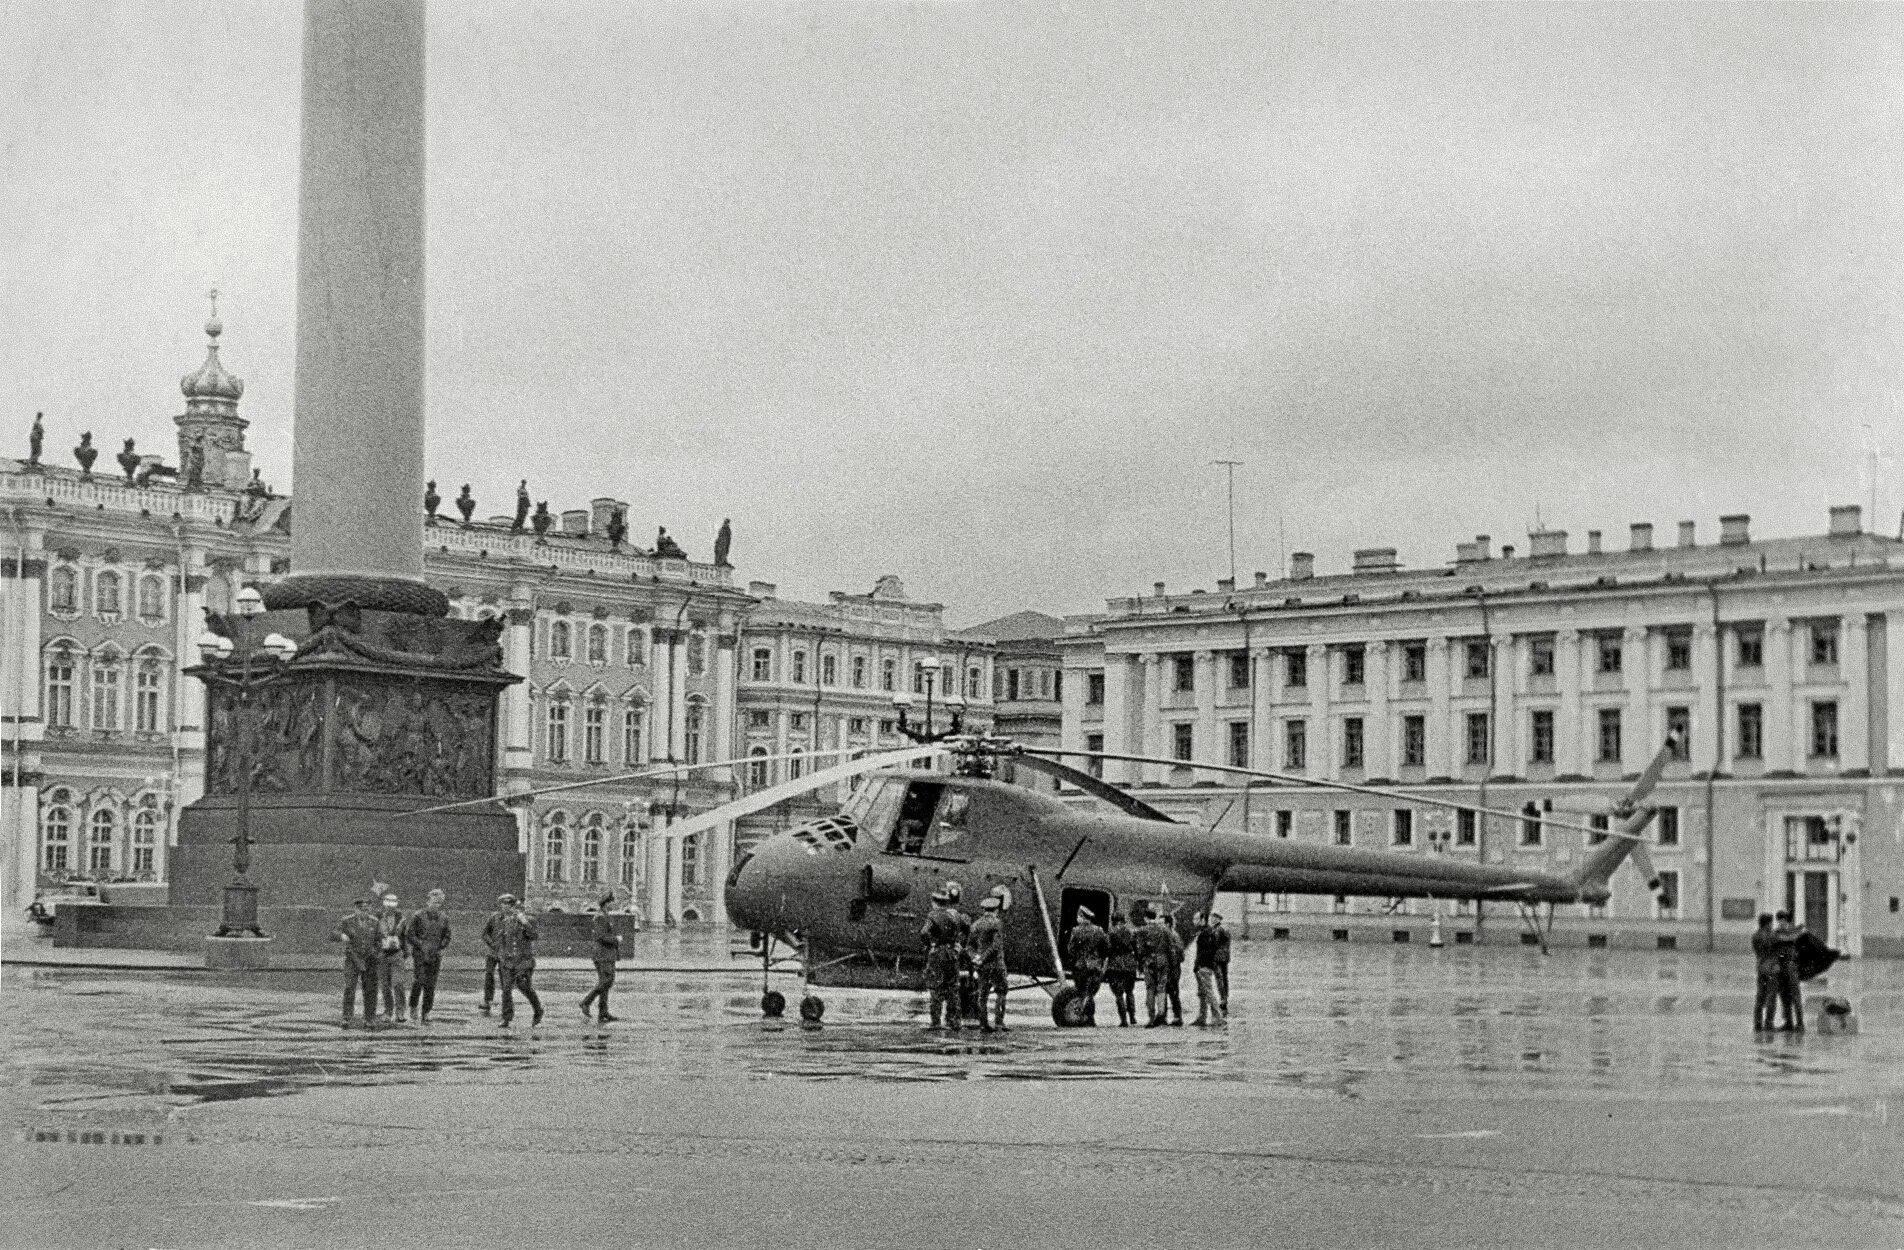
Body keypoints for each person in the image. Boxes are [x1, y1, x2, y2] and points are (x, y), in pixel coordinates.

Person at [491, 897, 543, 1027]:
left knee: (524, 986)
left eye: (510, 906)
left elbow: (534, 936)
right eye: (504, 906)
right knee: (506, 989)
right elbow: (500, 938)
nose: (508, 909)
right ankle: (507, 1017)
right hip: (508, 961)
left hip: (523, 961)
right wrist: (501, 953)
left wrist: (524, 922)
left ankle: (538, 1009)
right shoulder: (505, 921)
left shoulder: (529, 920)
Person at [402, 889, 452, 1023]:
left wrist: (442, 946)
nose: (435, 905)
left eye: (439, 903)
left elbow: (447, 935)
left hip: (435, 954)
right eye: (433, 902)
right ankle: (413, 1006)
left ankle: (426, 1011)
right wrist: (421, 945)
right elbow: (410, 934)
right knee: (419, 980)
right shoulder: (418, 916)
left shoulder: (444, 918)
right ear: (428, 901)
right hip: (420, 954)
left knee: (431, 985)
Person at [331, 897, 381, 1028]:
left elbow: (379, 939)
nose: (364, 912)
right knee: (349, 987)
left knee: (371, 989)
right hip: (353, 959)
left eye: (366, 909)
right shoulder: (347, 921)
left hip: (370, 959)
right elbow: (333, 933)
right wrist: (341, 936)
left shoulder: (374, 922)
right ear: (355, 909)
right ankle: (347, 1017)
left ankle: (370, 1018)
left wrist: (376, 952)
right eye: (361, 909)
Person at [920, 887, 965, 1030]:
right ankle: (954, 1021)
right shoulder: (956, 915)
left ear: (935, 902)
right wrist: (959, 945)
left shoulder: (933, 915)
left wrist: (931, 944)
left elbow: (924, 933)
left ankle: (936, 1022)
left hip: (938, 953)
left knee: (936, 988)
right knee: (953, 988)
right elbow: (967, 928)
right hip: (952, 953)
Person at [579, 893, 623, 1022]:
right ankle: (586, 1002)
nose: (613, 904)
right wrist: (616, 939)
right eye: (612, 902)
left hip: (608, 954)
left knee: (606, 982)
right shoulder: (600, 917)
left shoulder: (605, 916)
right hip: (602, 954)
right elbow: (600, 936)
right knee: (606, 981)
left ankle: (603, 1012)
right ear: (606, 903)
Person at [969, 894, 1008, 1032]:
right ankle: (999, 1022)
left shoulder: (975, 925)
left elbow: (970, 946)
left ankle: (983, 1024)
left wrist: (976, 958)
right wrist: (984, 957)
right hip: (996, 964)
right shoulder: (997, 923)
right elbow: (996, 946)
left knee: (982, 995)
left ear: (984, 909)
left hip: (982, 966)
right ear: (996, 910)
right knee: (1002, 992)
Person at [1065, 907, 1109, 1025]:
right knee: (1090, 993)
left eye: (1078, 916)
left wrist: (1077, 957)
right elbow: (1106, 947)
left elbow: (1070, 949)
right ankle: (1089, 1018)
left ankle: (1086, 1017)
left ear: (1082, 916)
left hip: (1080, 966)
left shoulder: (1076, 931)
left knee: (1082, 992)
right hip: (1095, 965)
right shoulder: (1099, 930)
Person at [375, 893, 411, 1023]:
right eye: (388, 904)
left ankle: (400, 1011)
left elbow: (405, 936)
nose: (390, 907)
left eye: (393, 904)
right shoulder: (377, 917)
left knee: (398, 983)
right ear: (384, 904)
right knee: (385, 985)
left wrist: (405, 952)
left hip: (397, 954)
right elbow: (374, 935)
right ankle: (388, 1011)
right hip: (382, 954)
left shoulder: (402, 918)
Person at [479, 893, 513, 1014]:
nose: (506, 907)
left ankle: (506, 1002)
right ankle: (487, 1000)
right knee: (489, 974)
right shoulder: (494, 918)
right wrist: (492, 944)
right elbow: (485, 934)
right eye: (504, 904)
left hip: (506, 953)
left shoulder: (514, 919)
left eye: (508, 904)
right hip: (493, 952)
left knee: (505, 977)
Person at [1772, 910, 1805, 1032]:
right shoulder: (1777, 933)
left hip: (1791, 967)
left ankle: (1800, 1023)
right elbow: (1778, 941)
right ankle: (1789, 1022)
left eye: (1783, 921)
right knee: (1784, 997)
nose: (1781, 923)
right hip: (1780, 968)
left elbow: (1793, 939)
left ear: (1787, 921)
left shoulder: (1792, 933)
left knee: (1796, 997)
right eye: (1779, 920)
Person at [1105, 911, 1140, 1026]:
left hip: (1115, 965)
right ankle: (1133, 1017)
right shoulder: (1131, 932)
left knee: (1119, 994)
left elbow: (1107, 949)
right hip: (1130, 964)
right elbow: (1136, 948)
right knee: (1130, 992)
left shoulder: (1111, 932)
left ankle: (1123, 1020)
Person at [1193, 912, 1227, 1027]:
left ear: (1202, 920)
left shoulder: (1206, 933)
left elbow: (1208, 951)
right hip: (1203, 966)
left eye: (1196, 919)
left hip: (1203, 967)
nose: (1194, 921)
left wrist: (1200, 965)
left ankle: (1217, 1017)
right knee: (1202, 993)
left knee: (1208, 992)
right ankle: (1202, 1017)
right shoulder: (1205, 932)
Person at [1751, 913, 1779, 1032]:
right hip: (1771, 969)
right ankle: (1769, 1023)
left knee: (1760, 997)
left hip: (1761, 968)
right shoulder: (1772, 936)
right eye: (1771, 923)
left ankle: (1757, 1023)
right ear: (1767, 923)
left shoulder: (1755, 936)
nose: (1772, 925)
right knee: (1771, 997)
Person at [1160, 912, 1186, 1026]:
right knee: (1169, 992)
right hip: (1171, 968)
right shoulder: (1172, 935)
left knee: (1171, 992)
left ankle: (1175, 1017)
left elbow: (1178, 954)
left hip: (1171, 968)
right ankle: (1170, 1016)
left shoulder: (1172, 936)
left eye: (1162, 923)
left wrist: (1170, 965)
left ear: (1168, 924)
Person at [1207, 910, 1232, 1012]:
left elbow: (1214, 943)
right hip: (1225, 956)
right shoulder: (1224, 928)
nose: (1211, 919)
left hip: (1217, 957)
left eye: (1213, 918)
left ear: (1217, 919)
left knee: (1219, 978)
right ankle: (1225, 997)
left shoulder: (1217, 929)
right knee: (1224, 977)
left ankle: (1223, 999)